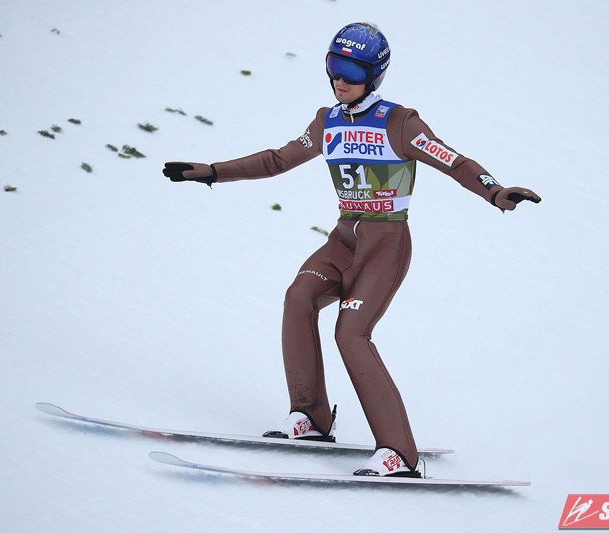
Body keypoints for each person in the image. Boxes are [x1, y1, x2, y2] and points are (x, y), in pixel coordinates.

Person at [163, 22, 541, 478]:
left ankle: (401, 453)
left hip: (385, 244)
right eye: (333, 67)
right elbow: (278, 159)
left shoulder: (400, 123)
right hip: (344, 240)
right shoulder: (328, 121)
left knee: (351, 334)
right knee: (298, 297)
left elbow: (453, 161)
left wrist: (494, 191)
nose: (340, 80)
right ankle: (311, 416)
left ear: (375, 75)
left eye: (353, 71)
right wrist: (212, 171)